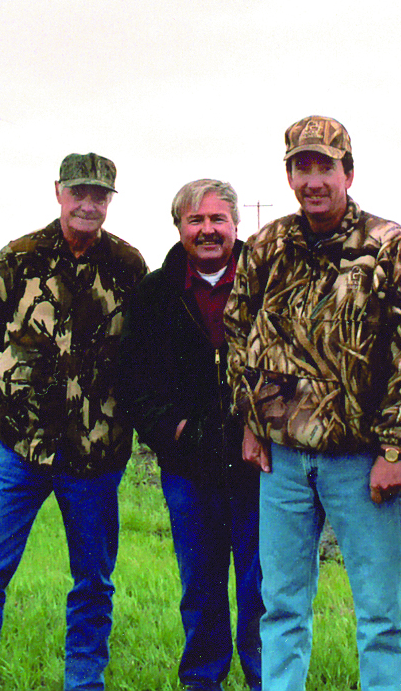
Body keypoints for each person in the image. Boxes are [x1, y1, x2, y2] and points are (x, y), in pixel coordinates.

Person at [224, 115, 401, 691]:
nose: (313, 180)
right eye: (301, 167)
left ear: (349, 172)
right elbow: (239, 335)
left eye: (325, 167)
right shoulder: (268, 245)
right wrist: (251, 422)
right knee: (281, 608)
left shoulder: (389, 245)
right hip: (283, 462)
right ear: (289, 175)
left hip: (361, 460)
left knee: (380, 615)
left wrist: (393, 448)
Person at [0, 153, 147, 691]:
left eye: (100, 195)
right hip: (17, 451)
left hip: (95, 456)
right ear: (58, 192)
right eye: (79, 193)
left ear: (110, 201)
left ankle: (83, 685)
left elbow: (142, 352)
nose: (89, 204)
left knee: (93, 584)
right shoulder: (16, 259)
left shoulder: (128, 267)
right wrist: (24, 399)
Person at [116, 179, 262, 691]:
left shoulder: (268, 279)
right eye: (195, 220)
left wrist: (260, 429)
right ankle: (202, 680)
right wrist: (174, 431)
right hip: (188, 468)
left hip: (259, 466)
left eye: (217, 219)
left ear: (236, 225)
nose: (207, 230)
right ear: (179, 228)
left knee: (260, 589)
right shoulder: (155, 293)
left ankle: (267, 679)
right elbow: (134, 379)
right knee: (200, 587)